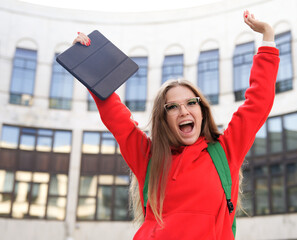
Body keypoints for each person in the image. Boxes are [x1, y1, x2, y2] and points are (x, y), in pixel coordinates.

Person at [74, 10, 279, 240]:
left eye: (191, 103)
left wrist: (267, 38)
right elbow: (115, 116)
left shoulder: (225, 150)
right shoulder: (148, 157)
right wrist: (87, 62)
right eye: (172, 107)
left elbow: (258, 103)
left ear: (202, 111)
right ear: (164, 120)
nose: (183, 111)